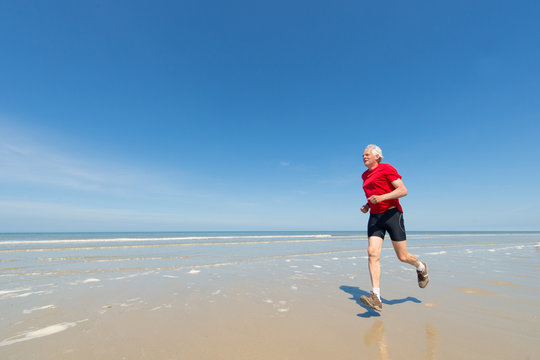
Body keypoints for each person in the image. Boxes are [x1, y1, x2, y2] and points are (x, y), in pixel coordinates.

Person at [359, 144, 428, 312]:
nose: (364, 157)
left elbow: (403, 190)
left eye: (367, 154)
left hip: (392, 215)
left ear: (377, 156)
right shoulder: (364, 175)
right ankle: (376, 296)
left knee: (403, 257)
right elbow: (374, 193)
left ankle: (421, 267)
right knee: (372, 252)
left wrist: (381, 198)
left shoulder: (386, 168)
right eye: (363, 155)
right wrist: (368, 205)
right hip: (375, 217)